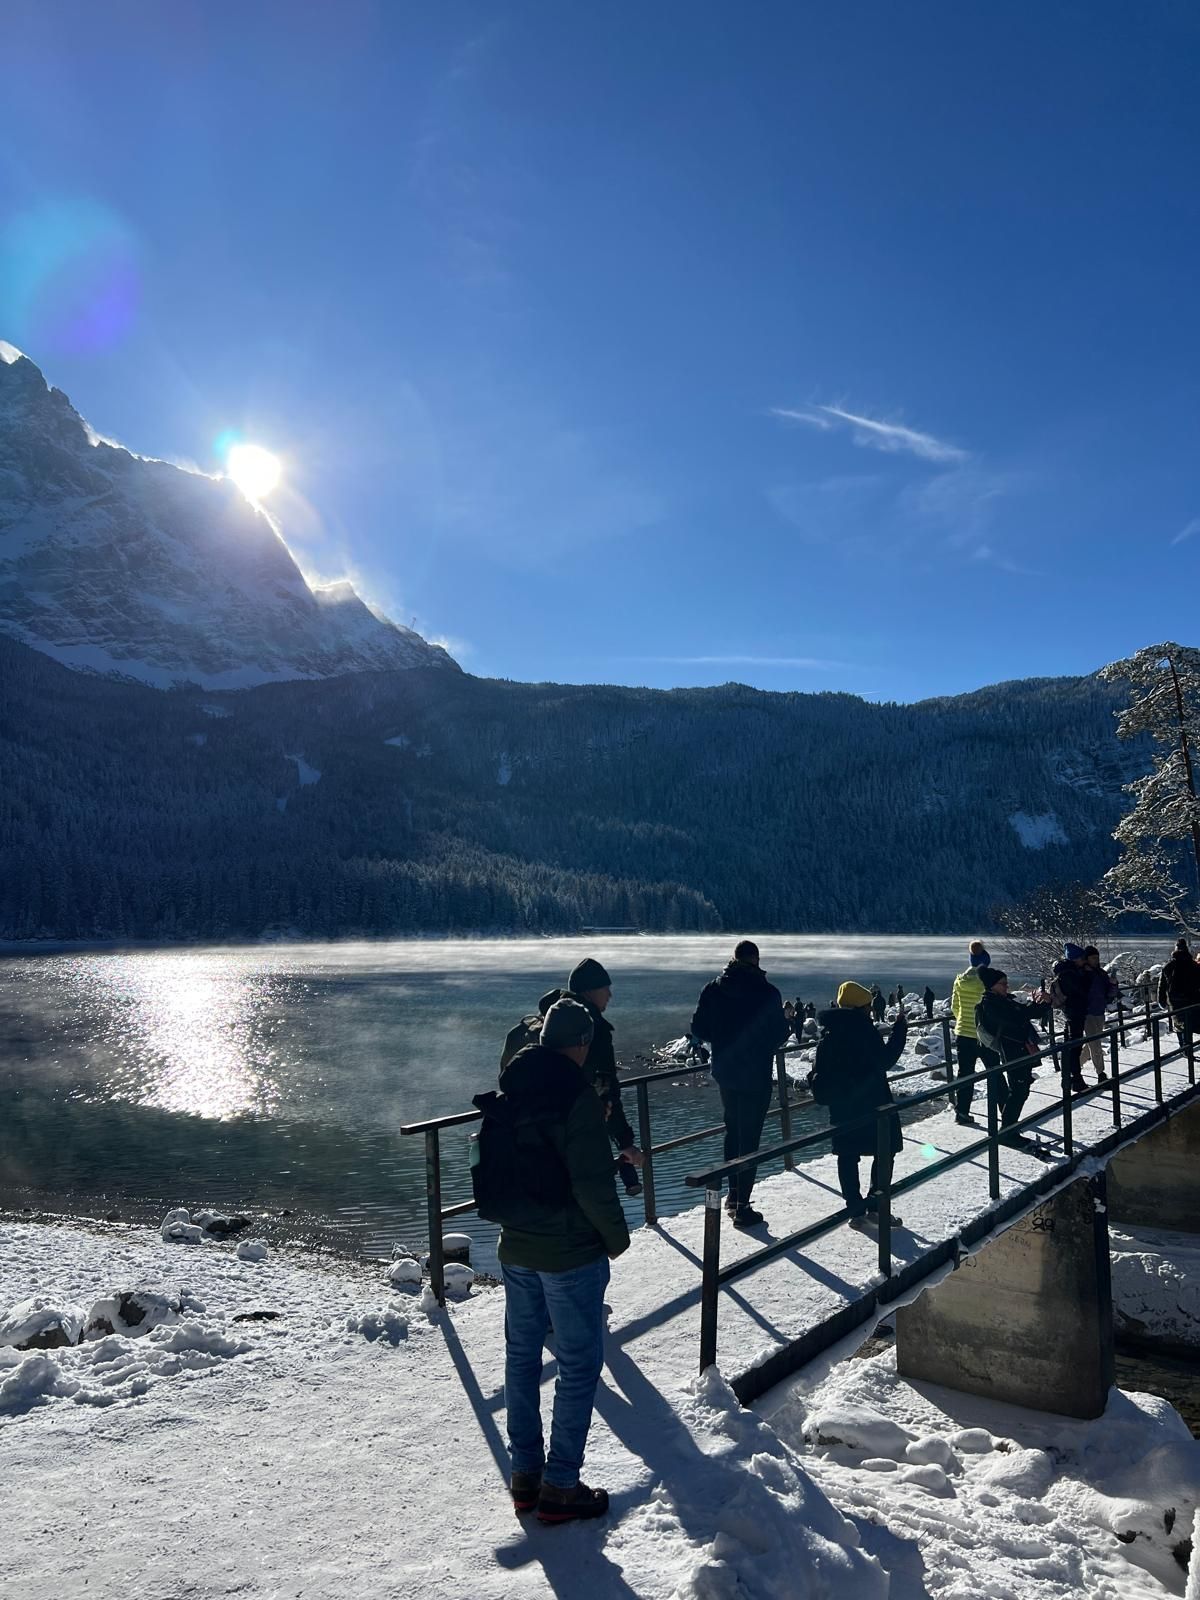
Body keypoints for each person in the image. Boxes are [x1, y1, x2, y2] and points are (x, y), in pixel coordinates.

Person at [495, 998, 630, 1523]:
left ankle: (525, 1475)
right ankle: (561, 1486)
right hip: (569, 1251)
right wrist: (616, 1239)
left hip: (517, 1243)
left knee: (522, 1357)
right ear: (581, 1044)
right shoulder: (577, 1095)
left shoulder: (514, 1083)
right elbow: (592, 1184)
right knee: (578, 1365)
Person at [689, 939, 789, 1229]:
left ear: (733, 958)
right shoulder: (767, 993)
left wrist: (722, 1040)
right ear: (756, 960)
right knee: (751, 1139)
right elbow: (779, 1033)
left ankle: (732, 1197)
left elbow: (698, 1028)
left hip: (726, 1071)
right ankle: (742, 1206)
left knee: (732, 1132)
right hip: (756, 1073)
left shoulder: (713, 989)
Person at [534, 958, 645, 1198]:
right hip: (582, 1127)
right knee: (595, 1196)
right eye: (605, 989)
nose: (610, 996)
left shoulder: (551, 1019)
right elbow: (606, 1087)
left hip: (542, 1134)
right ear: (589, 991)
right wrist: (625, 1142)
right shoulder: (593, 1028)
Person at [809, 981, 906, 1229]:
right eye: (868, 1006)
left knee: (847, 1156)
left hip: (842, 1107)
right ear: (861, 1008)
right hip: (874, 1103)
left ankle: (855, 1209)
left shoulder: (828, 1035)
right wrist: (900, 1031)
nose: (871, 1010)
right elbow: (885, 1060)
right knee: (885, 1151)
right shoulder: (865, 1032)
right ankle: (876, 1206)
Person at [973, 969, 1052, 1148]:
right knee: (1018, 1090)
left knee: (1020, 1089)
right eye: (1003, 983)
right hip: (1011, 1051)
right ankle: (1007, 1131)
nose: (1006, 986)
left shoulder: (1004, 1001)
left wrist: (1045, 1004)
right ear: (992, 986)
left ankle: (1009, 1129)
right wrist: (1031, 1008)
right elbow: (1015, 1019)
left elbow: (1025, 1013)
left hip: (1019, 1049)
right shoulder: (990, 1004)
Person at [950, 940, 997, 1127]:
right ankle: (1006, 1112)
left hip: (963, 1033)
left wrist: (965, 1020)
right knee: (994, 1072)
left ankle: (962, 1112)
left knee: (965, 1074)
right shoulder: (989, 981)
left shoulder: (960, 980)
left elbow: (955, 1007)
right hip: (985, 1034)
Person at [1050, 943, 1092, 1094]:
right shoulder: (1070, 974)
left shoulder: (1067, 972)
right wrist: (1087, 975)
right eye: (1082, 958)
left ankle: (1070, 1078)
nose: (1084, 961)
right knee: (1074, 1046)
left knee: (1072, 1045)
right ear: (1075, 959)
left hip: (1072, 1011)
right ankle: (1074, 1079)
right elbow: (1082, 991)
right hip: (1075, 1012)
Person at [1158, 937, 1200, 1053]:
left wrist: (1161, 1000)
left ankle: (1183, 1048)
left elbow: (1162, 985)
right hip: (1192, 999)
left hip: (1175, 1001)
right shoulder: (1193, 965)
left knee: (1179, 1024)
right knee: (1190, 1023)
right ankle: (1188, 1047)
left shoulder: (1169, 966)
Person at [1081, 947, 1116, 1085]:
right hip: (1087, 1013)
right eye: (1093, 958)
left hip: (1100, 1011)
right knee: (1095, 1043)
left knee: (1091, 1043)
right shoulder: (1082, 973)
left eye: (1097, 957)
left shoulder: (1101, 973)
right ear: (1087, 959)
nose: (1096, 960)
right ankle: (1101, 1074)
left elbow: (1110, 994)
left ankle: (1073, 1068)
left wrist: (1113, 985)